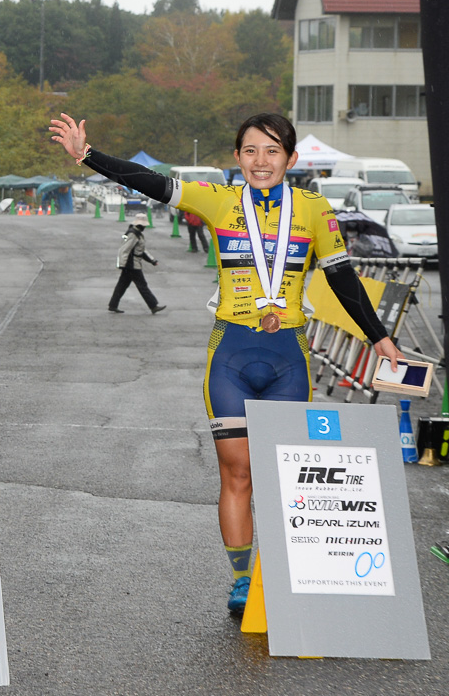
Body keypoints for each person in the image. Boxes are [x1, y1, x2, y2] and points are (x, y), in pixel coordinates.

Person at [50, 112, 401, 615]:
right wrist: (88, 156)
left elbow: (343, 278)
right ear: (236, 158)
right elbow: (148, 181)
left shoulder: (314, 209)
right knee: (236, 475)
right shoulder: (217, 200)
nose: (262, 161)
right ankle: (242, 581)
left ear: (292, 159)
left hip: (289, 358)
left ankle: (282, 569)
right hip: (231, 355)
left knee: (283, 475)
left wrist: (379, 337)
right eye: (252, 150)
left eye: (273, 150)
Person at [110, 216, 166, 314]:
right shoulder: (133, 234)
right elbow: (124, 249)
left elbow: (141, 251)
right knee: (142, 285)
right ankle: (153, 306)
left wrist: (152, 260)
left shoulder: (135, 233)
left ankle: (113, 305)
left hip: (130, 265)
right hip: (132, 265)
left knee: (122, 285)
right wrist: (122, 263)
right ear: (140, 225)